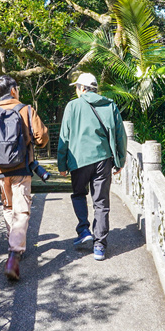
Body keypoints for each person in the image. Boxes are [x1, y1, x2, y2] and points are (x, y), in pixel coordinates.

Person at [0, 75, 49, 280]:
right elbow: (42, 137)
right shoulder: (26, 110)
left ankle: (14, 246)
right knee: (22, 210)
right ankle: (14, 253)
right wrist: (35, 142)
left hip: (0, 170)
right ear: (14, 90)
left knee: (9, 208)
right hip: (21, 168)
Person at [57, 72, 127, 261]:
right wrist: (120, 160)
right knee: (101, 202)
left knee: (79, 194)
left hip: (79, 161)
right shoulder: (110, 105)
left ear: (81, 88)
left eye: (77, 88)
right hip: (103, 159)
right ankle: (99, 246)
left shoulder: (72, 106)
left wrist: (61, 164)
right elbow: (120, 134)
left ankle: (84, 230)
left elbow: (64, 137)